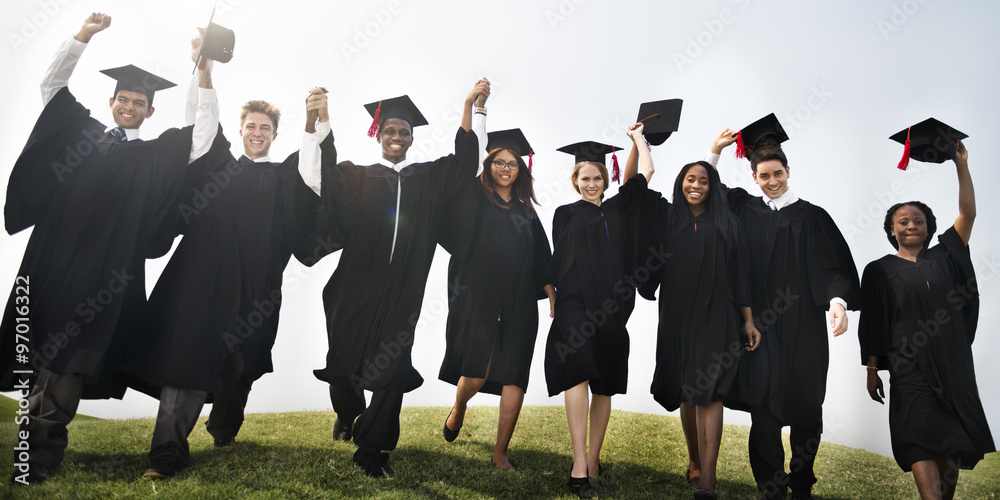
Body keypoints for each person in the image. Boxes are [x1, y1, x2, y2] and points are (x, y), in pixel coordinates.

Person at [1, 13, 219, 484]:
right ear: (112, 101)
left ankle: (36, 458)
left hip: (105, 279)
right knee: (38, 356)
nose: (130, 106)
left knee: (70, 362)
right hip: (50, 265)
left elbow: (202, 132)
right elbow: (51, 87)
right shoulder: (80, 136)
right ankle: (32, 442)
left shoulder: (155, 156)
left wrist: (202, 69)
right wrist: (83, 37)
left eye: (139, 102)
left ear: (149, 111)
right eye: (124, 99)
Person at [119, 77, 331, 477]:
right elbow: (201, 122)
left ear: (274, 134)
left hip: (255, 288)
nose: (257, 133)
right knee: (188, 357)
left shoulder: (284, 179)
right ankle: (167, 452)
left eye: (265, 128)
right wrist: (205, 70)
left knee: (239, 364)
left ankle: (224, 428)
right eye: (251, 126)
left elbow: (313, 175)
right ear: (240, 130)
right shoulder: (217, 168)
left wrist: (312, 122)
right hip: (199, 283)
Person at [307, 80, 489, 478]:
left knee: (392, 367)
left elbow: (467, 163)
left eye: (404, 132)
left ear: (411, 138)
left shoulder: (427, 177)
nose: (397, 137)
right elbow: (320, 177)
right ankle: (348, 413)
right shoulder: (358, 176)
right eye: (390, 130)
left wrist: (473, 109)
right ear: (378, 134)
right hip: (353, 288)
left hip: (404, 293)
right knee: (343, 361)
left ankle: (373, 451)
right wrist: (322, 121)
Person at [708, 115, 860, 500]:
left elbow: (835, 265)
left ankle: (802, 481)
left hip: (804, 326)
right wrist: (714, 152)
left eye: (778, 173)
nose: (772, 181)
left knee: (807, 404)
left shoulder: (812, 217)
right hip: (758, 325)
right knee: (763, 407)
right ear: (754, 177)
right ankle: (771, 486)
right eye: (764, 175)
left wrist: (838, 303)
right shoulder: (744, 208)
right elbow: (707, 190)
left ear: (788, 171)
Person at [860, 133, 994, 500]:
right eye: (902, 221)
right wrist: (872, 370)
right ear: (892, 229)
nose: (910, 225)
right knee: (918, 439)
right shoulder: (879, 270)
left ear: (929, 226)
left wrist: (960, 164)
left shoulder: (946, 255)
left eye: (917, 220)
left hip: (953, 365)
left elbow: (969, 213)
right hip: (910, 367)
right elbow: (873, 322)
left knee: (951, 447)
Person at [624, 144, 760, 499]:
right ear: (680, 183)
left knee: (710, 389)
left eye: (703, 180)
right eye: (689, 178)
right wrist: (639, 144)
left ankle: (708, 478)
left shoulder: (728, 222)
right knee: (687, 387)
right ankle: (695, 460)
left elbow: (740, 273)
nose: (696, 185)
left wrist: (748, 320)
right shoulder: (667, 216)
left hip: (718, 314)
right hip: (677, 313)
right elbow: (631, 188)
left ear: (713, 187)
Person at [438, 118, 554, 470]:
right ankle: (459, 408)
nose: (506, 168)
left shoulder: (526, 211)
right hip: (478, 294)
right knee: (477, 372)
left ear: (521, 170)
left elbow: (541, 254)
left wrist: (550, 289)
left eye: (513, 163)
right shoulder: (475, 198)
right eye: (499, 162)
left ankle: (500, 451)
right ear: (488, 165)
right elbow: (467, 156)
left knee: (516, 372)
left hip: (518, 298)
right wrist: (476, 109)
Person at [544, 123, 651, 497]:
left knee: (604, 380)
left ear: (606, 179)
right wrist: (551, 292)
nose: (591, 184)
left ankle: (593, 458)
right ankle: (577, 464)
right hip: (574, 301)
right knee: (578, 371)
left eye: (597, 178)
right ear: (575, 180)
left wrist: (637, 140)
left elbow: (645, 173)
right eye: (585, 178)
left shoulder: (619, 209)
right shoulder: (565, 213)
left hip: (614, 306)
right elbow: (557, 260)